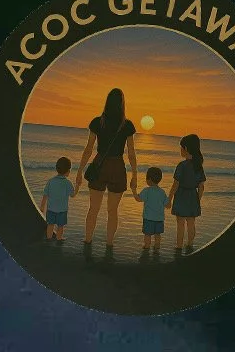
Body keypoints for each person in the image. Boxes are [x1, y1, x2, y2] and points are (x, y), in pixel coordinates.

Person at [76, 87, 138, 253]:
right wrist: (135, 176)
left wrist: (80, 171)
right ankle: (109, 245)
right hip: (117, 167)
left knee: (93, 209)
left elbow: (89, 149)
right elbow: (131, 154)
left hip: (99, 165)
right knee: (112, 211)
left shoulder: (98, 122)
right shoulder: (127, 125)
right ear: (122, 104)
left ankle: (88, 241)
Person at [168, 134, 205, 253]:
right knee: (191, 223)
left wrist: (169, 199)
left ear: (186, 148)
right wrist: (197, 199)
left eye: (181, 147)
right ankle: (190, 244)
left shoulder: (182, 166)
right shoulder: (198, 166)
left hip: (181, 195)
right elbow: (201, 186)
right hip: (193, 196)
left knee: (180, 223)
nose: (180, 150)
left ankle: (179, 246)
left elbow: (175, 185)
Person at [39, 157, 76, 241]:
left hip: (51, 209)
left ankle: (49, 238)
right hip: (62, 210)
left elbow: (45, 194)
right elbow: (73, 195)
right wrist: (77, 186)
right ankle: (59, 238)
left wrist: (42, 207)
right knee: (60, 226)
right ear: (68, 171)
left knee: (50, 225)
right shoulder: (68, 183)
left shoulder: (51, 181)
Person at [136, 167, 169, 255]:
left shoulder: (146, 190)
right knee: (157, 235)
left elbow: (138, 199)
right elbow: (167, 205)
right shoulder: (162, 192)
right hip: (159, 219)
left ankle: (147, 247)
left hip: (148, 218)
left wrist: (133, 190)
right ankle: (157, 248)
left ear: (149, 179)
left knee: (147, 234)